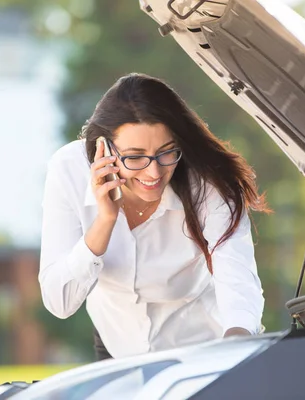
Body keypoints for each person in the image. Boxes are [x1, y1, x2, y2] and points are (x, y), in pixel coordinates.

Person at [39, 73, 270, 361]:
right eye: (135, 157)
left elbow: (237, 278)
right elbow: (59, 302)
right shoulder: (69, 170)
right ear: (104, 149)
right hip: (117, 346)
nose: (154, 173)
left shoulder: (208, 184)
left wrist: (236, 352)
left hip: (202, 349)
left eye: (166, 152)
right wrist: (105, 221)